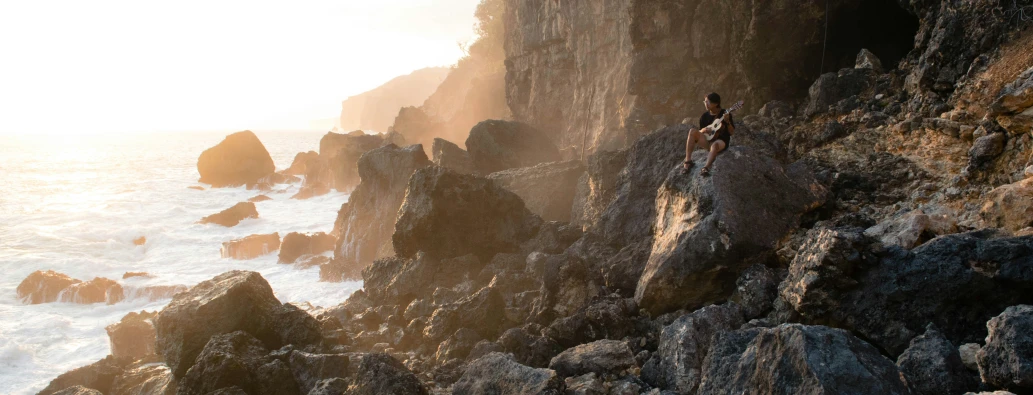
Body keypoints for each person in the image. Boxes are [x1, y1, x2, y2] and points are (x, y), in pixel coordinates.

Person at [681, 92, 734, 176]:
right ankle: (688, 162)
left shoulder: (725, 114)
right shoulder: (704, 116)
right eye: (705, 102)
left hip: (721, 141)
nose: (705, 104)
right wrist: (704, 130)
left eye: (707, 102)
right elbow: (700, 132)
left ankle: (706, 167)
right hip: (708, 140)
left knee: (714, 145)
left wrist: (727, 122)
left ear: (716, 103)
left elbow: (731, 132)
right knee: (692, 131)